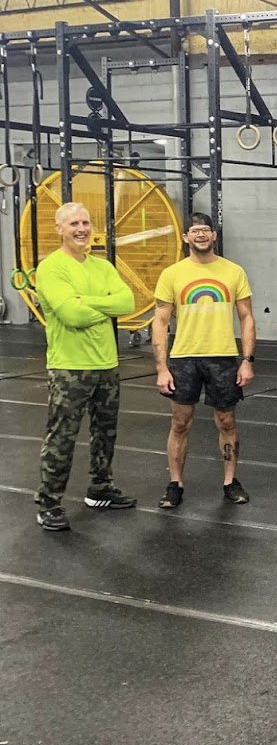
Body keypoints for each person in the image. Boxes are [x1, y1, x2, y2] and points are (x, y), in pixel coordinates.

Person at [32, 202, 136, 531]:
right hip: (69, 367)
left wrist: (86, 302)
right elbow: (72, 316)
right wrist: (104, 306)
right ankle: (48, 503)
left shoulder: (103, 267)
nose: (81, 229)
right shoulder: (51, 268)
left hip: (106, 363)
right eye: (74, 223)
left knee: (105, 432)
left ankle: (100, 489)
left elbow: (127, 301)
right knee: (62, 437)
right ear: (59, 229)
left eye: (86, 223)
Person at [152, 213, 256, 509]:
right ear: (185, 237)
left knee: (227, 421)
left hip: (222, 357)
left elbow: (247, 318)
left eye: (206, 230)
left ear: (214, 235)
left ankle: (230, 481)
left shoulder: (234, 271)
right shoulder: (172, 274)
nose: (201, 235)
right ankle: (175, 483)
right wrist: (161, 368)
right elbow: (160, 322)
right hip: (183, 358)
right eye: (195, 230)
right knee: (180, 423)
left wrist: (247, 360)